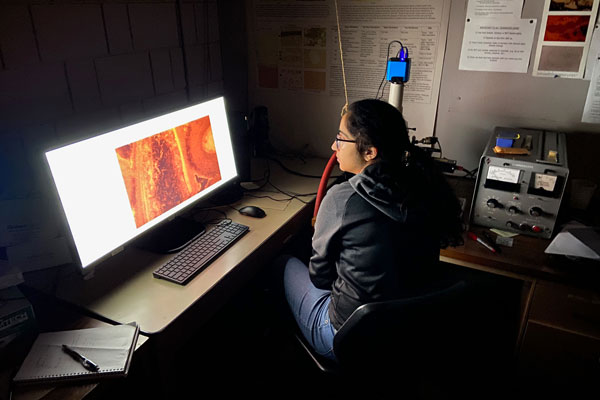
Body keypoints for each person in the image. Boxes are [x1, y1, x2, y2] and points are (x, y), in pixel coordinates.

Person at [281, 98, 464, 361]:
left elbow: (319, 278)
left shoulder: (341, 199)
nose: (334, 146)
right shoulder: (424, 187)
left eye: (341, 138)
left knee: (281, 263)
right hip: (404, 332)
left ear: (370, 152)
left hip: (344, 337)